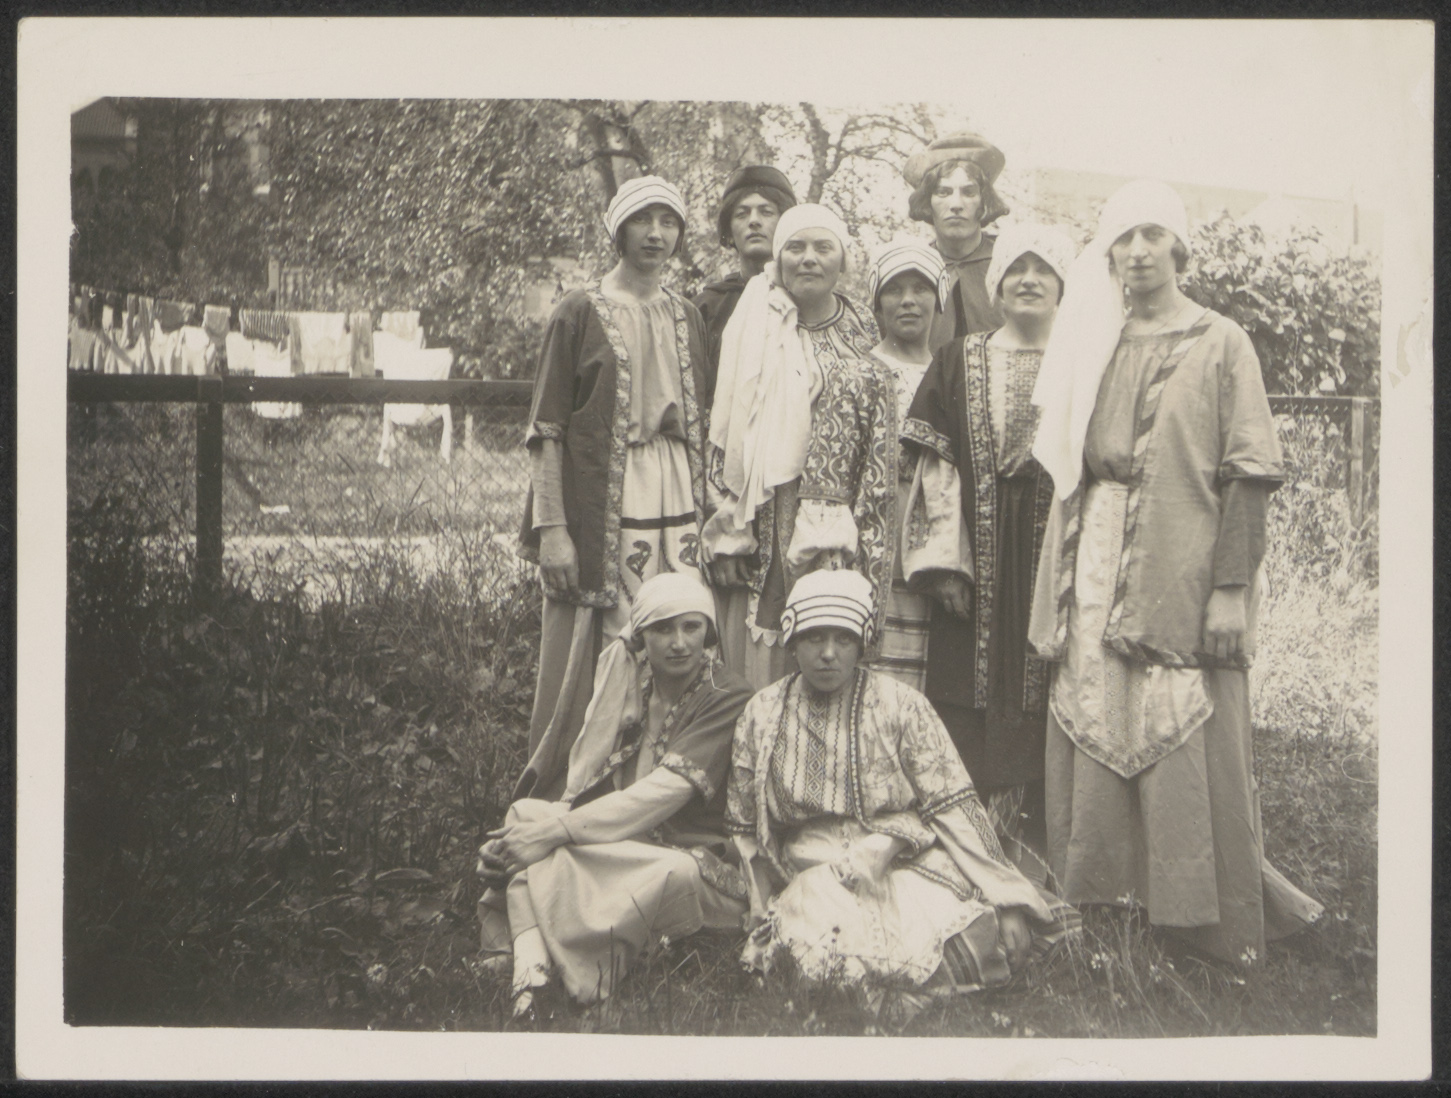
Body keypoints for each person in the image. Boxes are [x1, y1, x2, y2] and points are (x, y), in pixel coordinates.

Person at [1028, 179, 1323, 963]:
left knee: (1176, 715)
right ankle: (1099, 909)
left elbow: (1248, 472)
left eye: (1151, 235)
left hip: (1182, 560)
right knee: (1096, 710)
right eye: (1122, 238)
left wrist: (1230, 590)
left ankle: (1194, 918)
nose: (1136, 252)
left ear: (1178, 247)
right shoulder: (1094, 338)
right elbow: (1065, 464)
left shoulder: (1222, 340)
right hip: (1092, 554)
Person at [725, 570, 1078, 992]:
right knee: (826, 956)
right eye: (814, 638)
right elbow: (745, 826)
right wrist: (759, 907)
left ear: (863, 643)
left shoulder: (901, 705)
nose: (828, 654)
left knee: (969, 936)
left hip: (900, 856)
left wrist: (1007, 899)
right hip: (812, 865)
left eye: (844, 639)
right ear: (792, 640)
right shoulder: (762, 713)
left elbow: (954, 805)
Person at [516, 176, 713, 802]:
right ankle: (585, 787)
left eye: (668, 222)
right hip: (607, 495)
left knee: (676, 629)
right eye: (642, 221)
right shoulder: (578, 311)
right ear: (618, 230)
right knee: (610, 635)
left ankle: (664, 788)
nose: (656, 234)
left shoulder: (688, 315)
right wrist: (553, 529)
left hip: (679, 493)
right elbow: (547, 429)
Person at [477, 573, 753, 1015]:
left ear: (709, 632)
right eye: (662, 629)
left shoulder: (727, 694)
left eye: (692, 627)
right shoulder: (633, 685)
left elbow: (663, 795)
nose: (679, 643)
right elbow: (584, 784)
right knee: (525, 812)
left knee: (670, 870)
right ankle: (533, 976)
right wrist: (535, 832)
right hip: (628, 844)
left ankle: (533, 962)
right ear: (641, 635)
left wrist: (552, 834)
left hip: (693, 861)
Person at [899, 222, 1078, 882]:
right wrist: (946, 562)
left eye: (1043, 269)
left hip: (1054, 549)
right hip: (975, 549)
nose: (1028, 280)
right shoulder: (958, 358)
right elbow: (935, 466)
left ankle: (1041, 847)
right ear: (996, 284)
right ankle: (965, 846)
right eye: (1015, 270)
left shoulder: (1085, 361)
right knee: (965, 690)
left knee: (1050, 680)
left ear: (1063, 285)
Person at [703, 203, 895, 689]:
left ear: (842, 261)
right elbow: (724, 431)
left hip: (840, 521)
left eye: (823, 247)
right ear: (778, 258)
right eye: (795, 247)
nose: (808, 258)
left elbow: (876, 445)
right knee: (762, 650)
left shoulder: (864, 334)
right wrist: (727, 534)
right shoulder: (755, 324)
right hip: (763, 513)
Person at [861, 238, 949, 691]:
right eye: (894, 290)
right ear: (877, 303)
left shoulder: (949, 374)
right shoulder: (858, 371)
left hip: (934, 538)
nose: (908, 300)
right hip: (874, 539)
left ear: (939, 300)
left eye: (921, 289)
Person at [901, 132, 1012, 352]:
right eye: (943, 192)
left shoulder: (1008, 263)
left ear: (984, 202)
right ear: (928, 202)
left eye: (969, 192)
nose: (956, 204)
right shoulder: (915, 267)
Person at [693, 165, 797, 368]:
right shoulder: (706, 308)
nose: (754, 221)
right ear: (729, 232)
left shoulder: (807, 300)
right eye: (742, 214)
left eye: (766, 212)